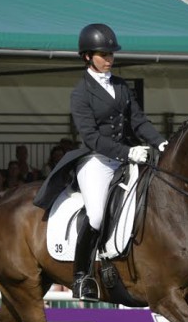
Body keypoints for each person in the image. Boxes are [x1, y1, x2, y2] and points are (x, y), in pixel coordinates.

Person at [33, 23, 167, 301]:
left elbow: (138, 121)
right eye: (103, 55)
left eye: (111, 55)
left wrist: (161, 142)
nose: (109, 59)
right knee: (95, 214)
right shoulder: (80, 93)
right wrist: (127, 153)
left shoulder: (120, 85)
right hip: (96, 161)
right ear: (87, 57)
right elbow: (91, 137)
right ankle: (82, 276)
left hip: (128, 158)